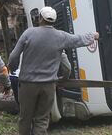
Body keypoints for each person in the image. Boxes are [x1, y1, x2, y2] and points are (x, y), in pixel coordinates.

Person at [8, 7, 98, 135]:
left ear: (40, 18)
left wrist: (13, 68)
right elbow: (78, 39)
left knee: (25, 118)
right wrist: (93, 36)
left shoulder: (29, 33)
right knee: (42, 119)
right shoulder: (61, 36)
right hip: (48, 85)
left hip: (27, 84)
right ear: (53, 21)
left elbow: (13, 56)